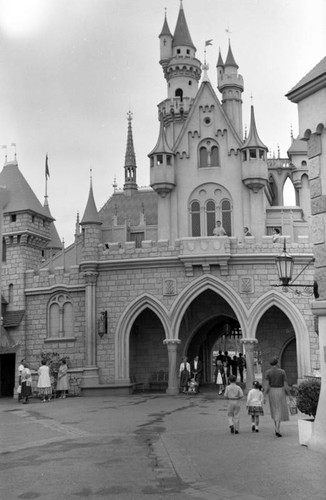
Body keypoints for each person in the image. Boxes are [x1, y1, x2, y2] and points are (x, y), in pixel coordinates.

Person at [264, 357, 292, 437]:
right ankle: (277, 428)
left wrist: (264, 395)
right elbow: (285, 385)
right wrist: (289, 395)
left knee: (274, 409)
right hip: (280, 391)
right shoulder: (282, 372)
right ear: (277, 363)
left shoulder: (268, 372)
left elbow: (267, 385)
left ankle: (276, 427)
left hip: (272, 391)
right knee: (279, 409)